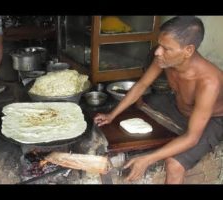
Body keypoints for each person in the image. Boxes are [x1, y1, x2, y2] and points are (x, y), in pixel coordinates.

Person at [94, 16, 223, 184]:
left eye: (166, 48)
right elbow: (141, 85)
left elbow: (192, 137)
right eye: (159, 44)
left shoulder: (209, 81)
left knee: (174, 164)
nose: (157, 52)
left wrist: (148, 158)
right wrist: (112, 115)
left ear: (188, 50)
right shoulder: (164, 59)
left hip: (212, 121)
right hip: (179, 107)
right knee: (143, 102)